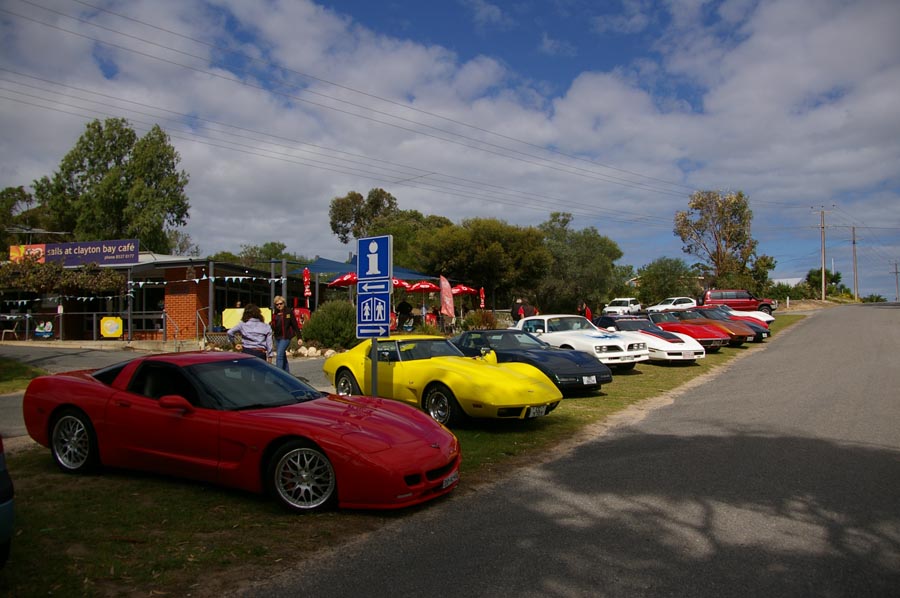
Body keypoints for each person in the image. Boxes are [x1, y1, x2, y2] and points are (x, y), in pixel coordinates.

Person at [270, 295, 300, 372]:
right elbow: (273, 326)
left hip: (285, 337)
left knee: (279, 355)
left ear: (284, 303)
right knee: (282, 355)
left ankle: (278, 374)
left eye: (281, 303)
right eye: (277, 304)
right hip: (277, 337)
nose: (279, 305)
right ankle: (287, 374)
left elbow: (295, 325)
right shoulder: (275, 313)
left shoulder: (288, 312)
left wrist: (299, 337)